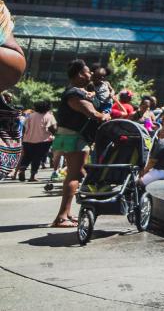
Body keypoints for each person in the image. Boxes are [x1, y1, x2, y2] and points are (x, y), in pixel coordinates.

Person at [50, 59, 109, 228]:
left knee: (75, 174)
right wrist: (103, 116)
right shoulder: (74, 93)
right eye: (88, 71)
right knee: (74, 175)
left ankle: (67, 214)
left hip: (73, 136)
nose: (91, 74)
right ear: (79, 74)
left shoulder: (78, 91)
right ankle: (61, 217)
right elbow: (90, 112)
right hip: (74, 137)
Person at [18, 101, 55, 182]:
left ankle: (22, 170)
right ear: (48, 108)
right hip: (43, 141)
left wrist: (23, 138)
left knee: (27, 156)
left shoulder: (30, 116)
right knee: (37, 158)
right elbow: (52, 128)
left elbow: (24, 128)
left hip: (28, 140)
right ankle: (32, 176)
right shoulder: (49, 116)